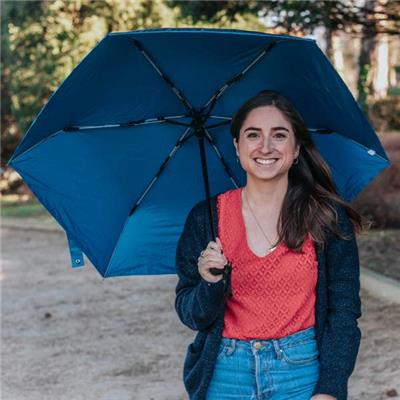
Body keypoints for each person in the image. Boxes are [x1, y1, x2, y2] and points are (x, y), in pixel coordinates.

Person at [175, 90, 368, 400]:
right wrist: (209, 283)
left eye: (279, 135)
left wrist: (330, 387)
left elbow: (343, 311)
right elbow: (192, 314)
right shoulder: (206, 219)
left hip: (301, 370)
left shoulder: (325, 218)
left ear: (296, 149)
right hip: (226, 374)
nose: (265, 146)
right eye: (253, 135)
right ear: (237, 147)